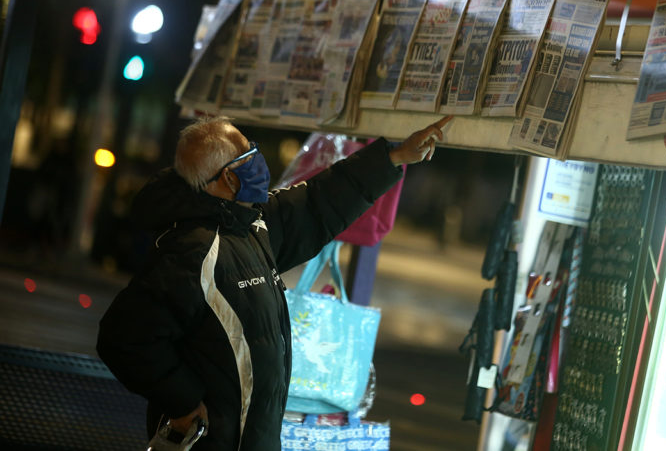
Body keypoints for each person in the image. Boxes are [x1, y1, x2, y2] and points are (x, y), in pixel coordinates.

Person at [96, 114, 453, 451]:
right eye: (247, 156)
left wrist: (394, 157)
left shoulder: (248, 224)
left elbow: (317, 202)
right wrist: (183, 402)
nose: (257, 160)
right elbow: (123, 339)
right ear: (228, 179)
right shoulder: (190, 252)